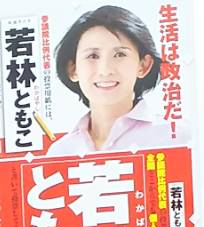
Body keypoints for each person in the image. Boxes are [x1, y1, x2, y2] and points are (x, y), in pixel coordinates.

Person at [42, 5, 176, 158]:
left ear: (143, 65)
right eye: (92, 56)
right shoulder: (60, 153)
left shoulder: (173, 137)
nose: (105, 70)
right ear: (73, 69)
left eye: (119, 54)